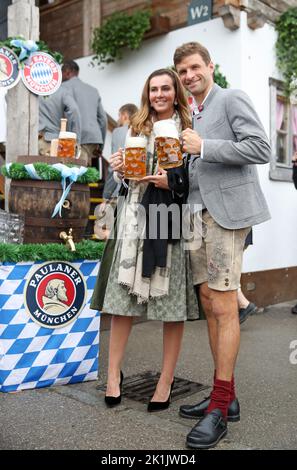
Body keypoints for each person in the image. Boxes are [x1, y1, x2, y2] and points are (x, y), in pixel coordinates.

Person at [173, 42, 271, 449]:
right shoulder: (192, 112)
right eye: (182, 71)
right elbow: (199, 172)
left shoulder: (231, 98)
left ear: (210, 66)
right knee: (210, 303)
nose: (189, 75)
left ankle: (219, 407)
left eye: (194, 67)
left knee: (225, 304)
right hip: (197, 216)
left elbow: (261, 148)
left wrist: (204, 147)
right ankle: (224, 397)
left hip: (227, 214)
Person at [91, 68, 199, 412]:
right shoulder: (134, 128)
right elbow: (126, 182)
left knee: (170, 308)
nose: (159, 94)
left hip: (170, 218)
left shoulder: (190, 129)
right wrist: (120, 171)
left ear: (175, 91)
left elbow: (197, 181)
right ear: (147, 93)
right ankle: (112, 376)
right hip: (135, 217)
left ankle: (165, 382)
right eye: (154, 89)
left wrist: (174, 182)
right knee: (122, 303)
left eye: (166, 88)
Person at [62, 60, 107, 167]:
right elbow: (103, 119)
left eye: (62, 73)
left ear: (67, 72)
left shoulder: (63, 87)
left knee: (77, 177)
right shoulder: (93, 90)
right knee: (88, 176)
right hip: (94, 139)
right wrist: (101, 145)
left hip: (75, 139)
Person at [38, 86, 81, 156]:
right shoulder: (62, 91)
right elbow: (74, 110)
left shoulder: (28, 87)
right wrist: (74, 140)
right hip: (52, 142)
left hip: (29, 141)